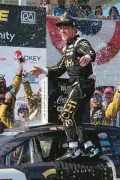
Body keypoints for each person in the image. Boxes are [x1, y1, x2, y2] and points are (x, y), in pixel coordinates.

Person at [30, 16, 98, 160]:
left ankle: (73, 149)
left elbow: (91, 52)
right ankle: (89, 148)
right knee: (74, 118)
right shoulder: (67, 47)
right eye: (60, 28)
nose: (62, 30)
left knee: (66, 114)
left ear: (74, 29)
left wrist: (87, 57)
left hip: (82, 83)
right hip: (78, 84)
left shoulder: (80, 42)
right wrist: (42, 70)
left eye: (65, 27)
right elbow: (59, 69)